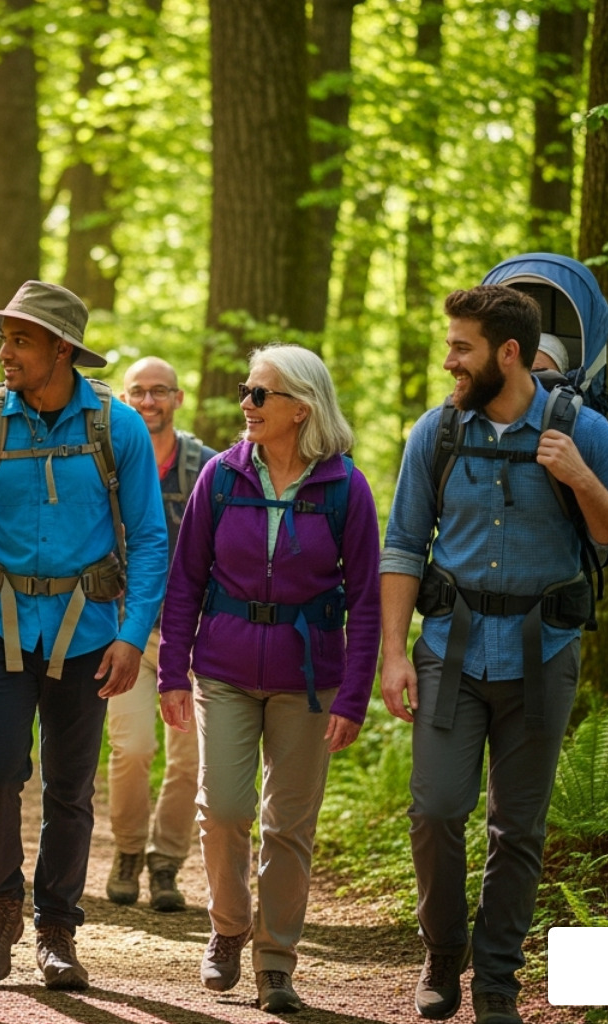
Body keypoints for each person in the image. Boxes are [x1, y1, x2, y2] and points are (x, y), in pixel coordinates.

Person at [380, 285, 608, 1024]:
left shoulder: (584, 433)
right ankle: (443, 956)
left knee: (518, 827)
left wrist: (580, 478)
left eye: (461, 348)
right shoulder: (434, 434)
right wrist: (393, 653)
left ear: (509, 353)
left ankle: (498, 981)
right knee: (436, 810)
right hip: (449, 651)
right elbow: (402, 545)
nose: (449, 362)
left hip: (544, 652)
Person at [0, 280, 168, 991]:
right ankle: (0, 910)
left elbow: (151, 538)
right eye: (4, 339)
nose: (4, 353)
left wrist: (132, 634)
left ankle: (57, 928)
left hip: (88, 632)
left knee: (70, 787)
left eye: (20, 340)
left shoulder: (114, 427)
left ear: (62, 350)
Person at [158, 343, 380, 1015]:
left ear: (300, 409)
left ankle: (277, 960)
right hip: (222, 668)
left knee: (288, 827)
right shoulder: (222, 478)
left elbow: (368, 598)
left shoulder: (345, 488)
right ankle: (228, 928)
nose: (246, 404)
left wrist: (355, 694)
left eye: (261, 395)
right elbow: (185, 579)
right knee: (223, 809)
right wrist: (172, 670)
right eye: (248, 392)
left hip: (309, 680)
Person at [104, 356, 214, 912]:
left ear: (177, 398)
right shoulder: (108, 461)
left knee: (189, 756)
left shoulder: (207, 467)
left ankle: (165, 862)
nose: (148, 402)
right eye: (138, 393)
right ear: (124, 401)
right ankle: (126, 851)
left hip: (192, 634)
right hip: (126, 629)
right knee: (132, 747)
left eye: (159, 392)